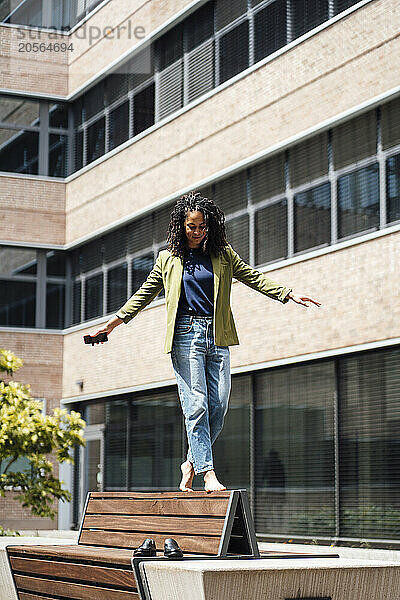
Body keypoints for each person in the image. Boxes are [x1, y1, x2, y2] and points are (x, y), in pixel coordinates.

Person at [90, 191, 321, 492]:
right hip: (186, 335)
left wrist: (288, 293)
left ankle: (190, 462)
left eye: (202, 227)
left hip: (219, 335)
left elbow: (253, 276)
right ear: (181, 226)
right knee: (196, 405)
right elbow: (143, 295)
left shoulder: (223, 254)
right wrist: (111, 325)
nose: (197, 232)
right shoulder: (168, 259)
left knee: (219, 406)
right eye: (191, 226)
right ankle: (207, 472)